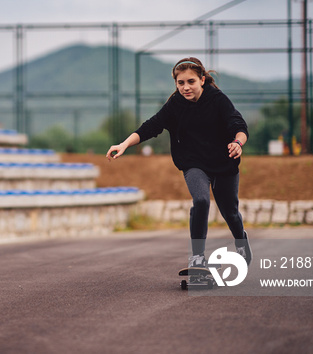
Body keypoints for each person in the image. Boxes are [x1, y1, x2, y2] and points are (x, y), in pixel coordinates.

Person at [106, 57, 252, 268]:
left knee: (230, 212)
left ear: (202, 80)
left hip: (224, 162)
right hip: (193, 163)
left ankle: (241, 240)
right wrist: (124, 144)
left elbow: (238, 125)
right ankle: (198, 258)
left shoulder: (218, 99)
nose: (185, 87)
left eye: (191, 82)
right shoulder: (175, 105)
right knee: (201, 201)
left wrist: (238, 142)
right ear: (176, 83)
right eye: (180, 83)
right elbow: (150, 127)